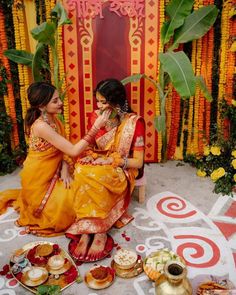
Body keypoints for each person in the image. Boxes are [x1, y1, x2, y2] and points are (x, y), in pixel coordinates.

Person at [0, 82, 111, 236]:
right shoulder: (41, 126)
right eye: (55, 101)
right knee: (69, 204)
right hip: (39, 180)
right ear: (41, 106)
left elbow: (62, 150)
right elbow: (72, 150)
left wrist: (65, 168)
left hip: (57, 168)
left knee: (87, 182)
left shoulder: (54, 119)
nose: (60, 103)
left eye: (59, 98)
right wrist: (95, 128)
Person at [66, 78, 145, 261]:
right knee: (81, 170)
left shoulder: (134, 123)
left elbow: (138, 163)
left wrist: (112, 160)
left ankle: (100, 230)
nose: (99, 106)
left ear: (117, 102)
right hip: (98, 161)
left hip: (121, 167)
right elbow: (90, 146)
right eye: (97, 101)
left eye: (103, 102)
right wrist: (88, 155)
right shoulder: (96, 117)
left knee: (96, 175)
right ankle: (86, 229)